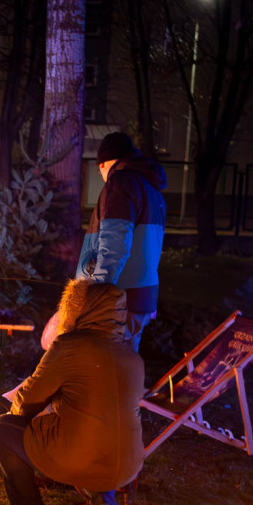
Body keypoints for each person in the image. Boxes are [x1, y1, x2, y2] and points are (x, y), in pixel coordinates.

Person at [0, 279, 145, 505]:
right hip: (126, 464)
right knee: (98, 437)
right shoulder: (132, 356)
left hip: (79, 456)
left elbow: (29, 399)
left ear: (82, 308)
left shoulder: (69, 346)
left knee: (3, 429)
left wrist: (20, 415)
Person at [76, 131, 166, 352]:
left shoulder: (121, 183)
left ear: (104, 164)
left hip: (116, 302)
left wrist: (97, 297)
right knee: (123, 373)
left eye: (100, 171)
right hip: (139, 298)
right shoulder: (152, 190)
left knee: (103, 372)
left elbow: (114, 244)